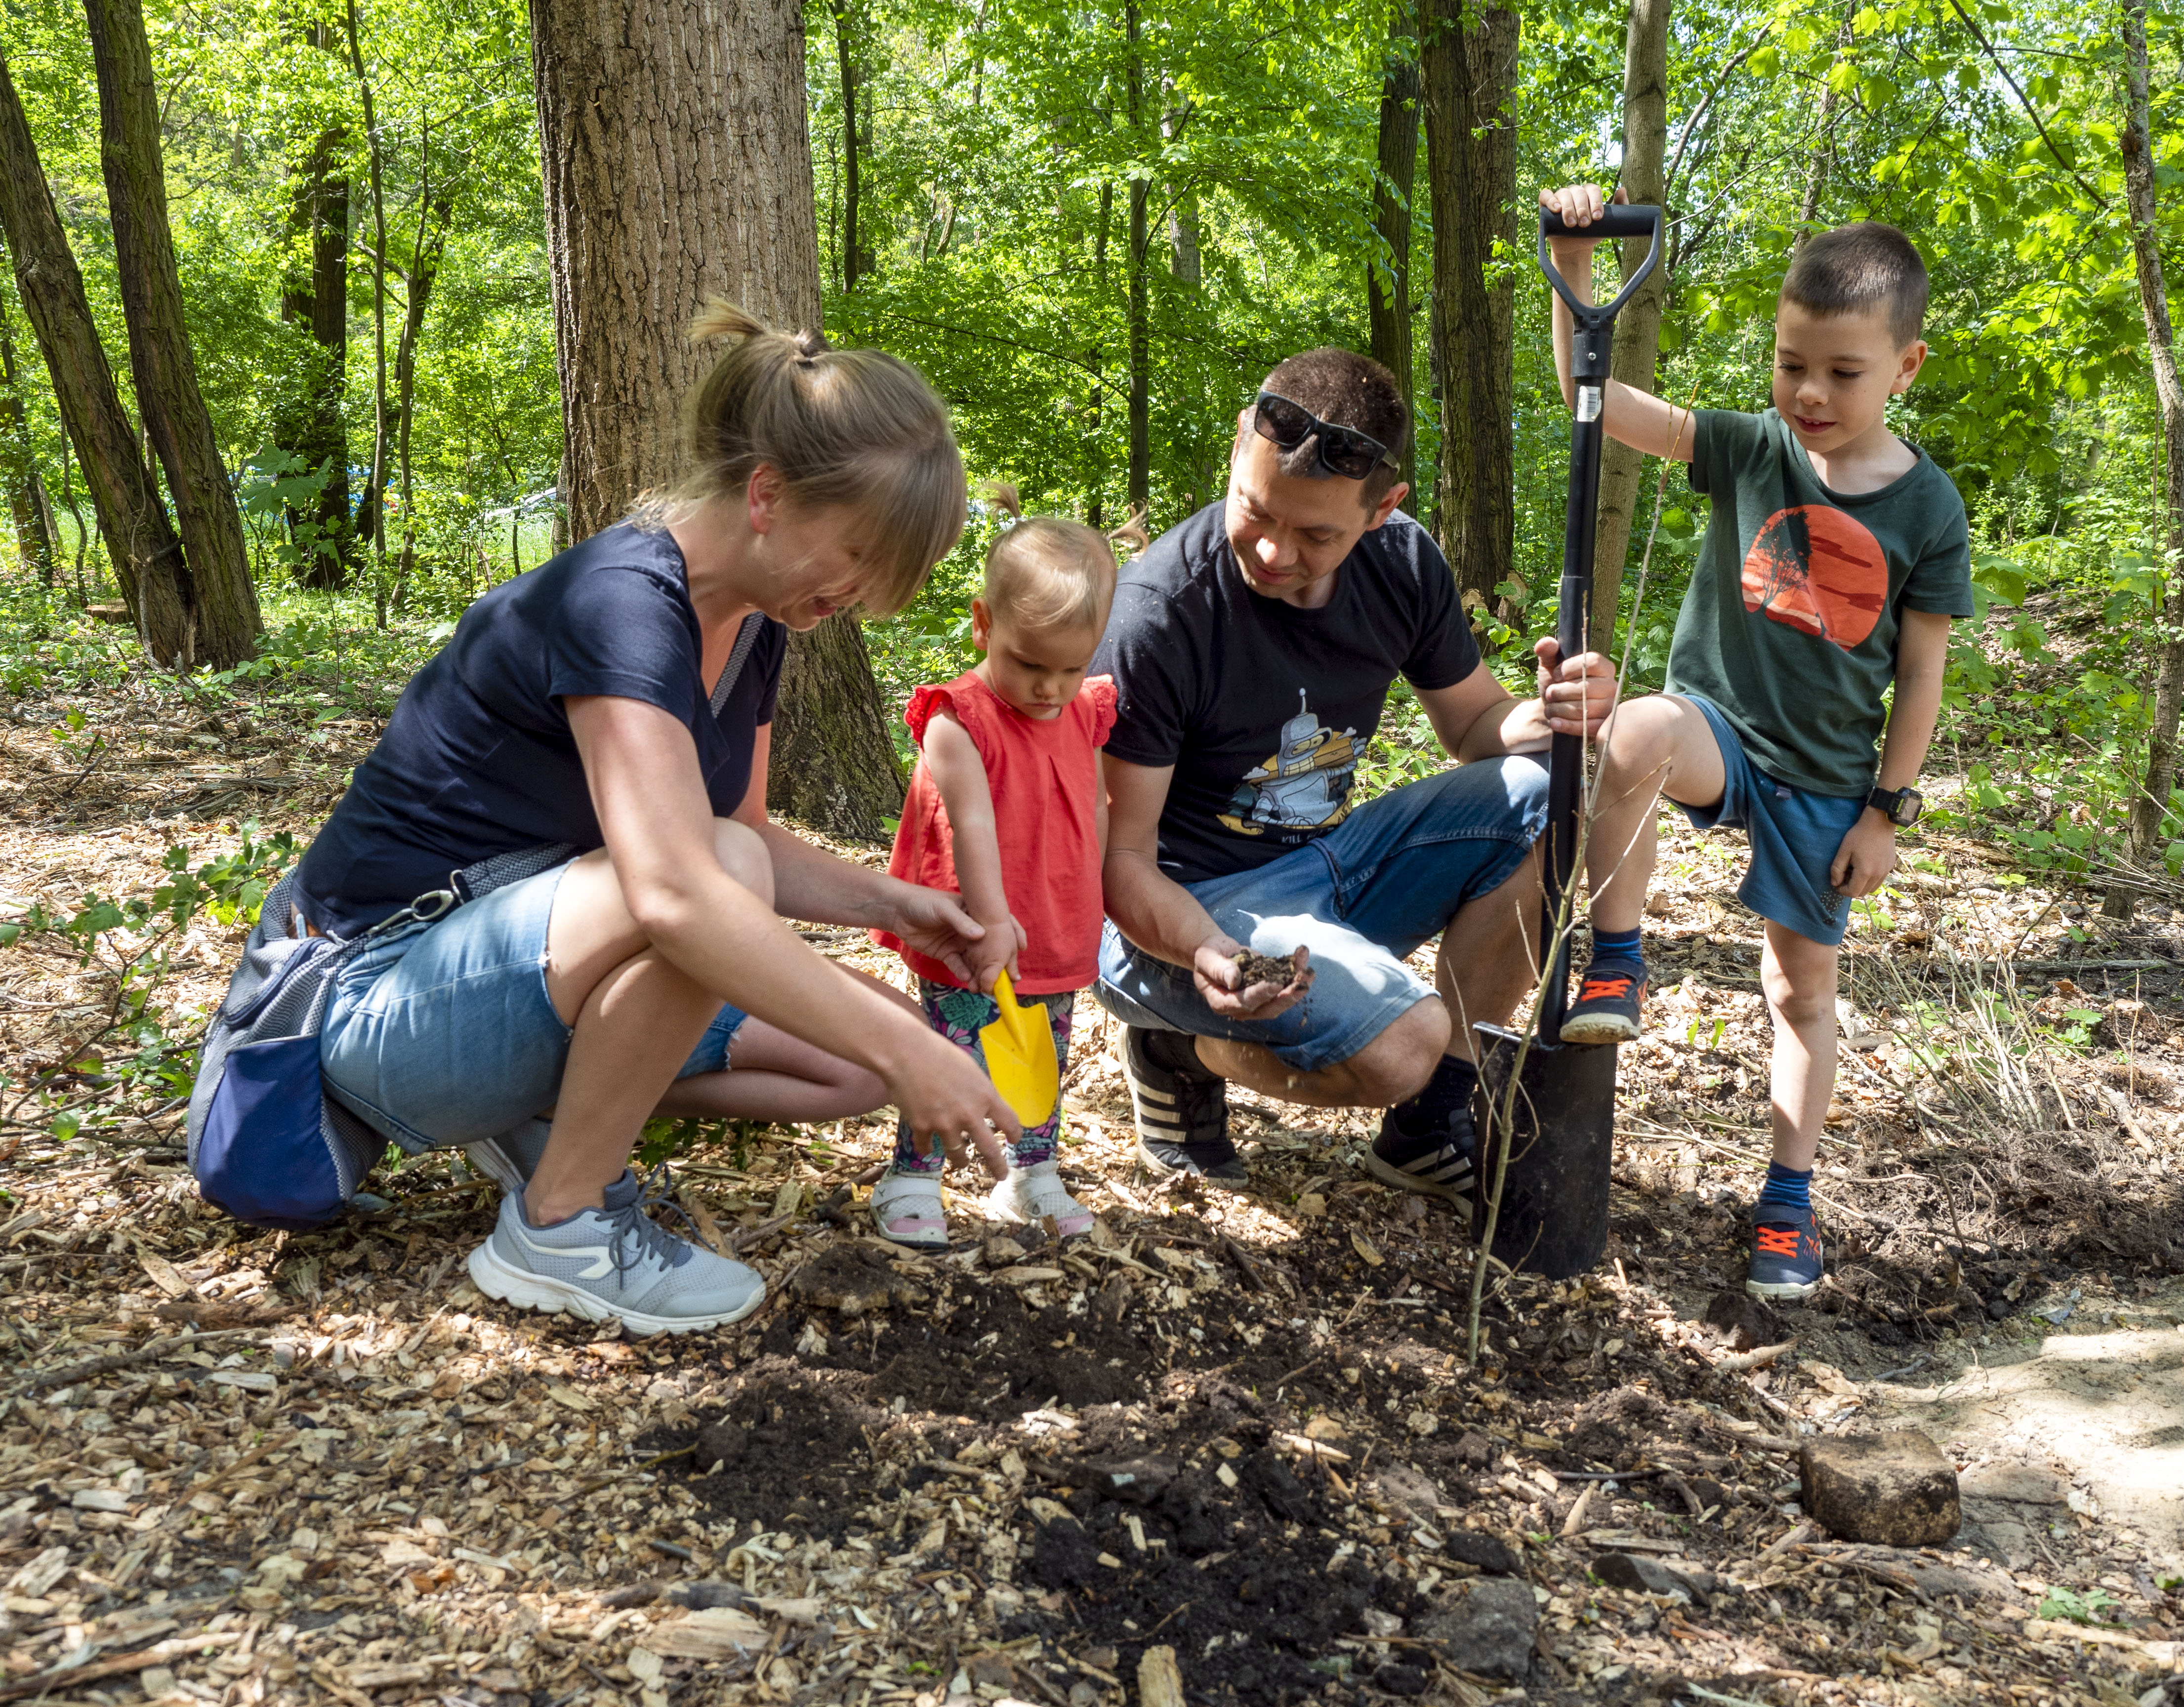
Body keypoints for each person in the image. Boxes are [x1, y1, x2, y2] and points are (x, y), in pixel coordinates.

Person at [296, 305, 1022, 1336]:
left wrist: (902, 904)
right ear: (767, 494)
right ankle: (557, 1223)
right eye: (855, 554)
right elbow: (682, 892)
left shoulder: (758, 626)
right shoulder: (622, 604)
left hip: (511, 971)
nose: (858, 595)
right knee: (715, 885)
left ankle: (546, 1118)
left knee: (859, 1054)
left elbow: (749, 834)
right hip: (377, 1006)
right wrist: (926, 1065)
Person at [1538, 185, 1974, 1301]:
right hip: (1717, 729)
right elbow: (1595, 397)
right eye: (1792, 365)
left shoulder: (1928, 510)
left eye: (1843, 371)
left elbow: (1920, 671)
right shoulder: (1746, 448)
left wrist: (1890, 809)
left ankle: (1787, 1200)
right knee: (1632, 730)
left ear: (1905, 368)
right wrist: (1574, 271)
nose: (1810, 393)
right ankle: (1618, 963)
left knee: (1800, 995)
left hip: (1827, 779)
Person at [1091, 347, 1617, 1206]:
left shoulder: (1404, 566)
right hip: (1179, 912)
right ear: (1236, 449)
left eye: (1316, 535)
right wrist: (1210, 955)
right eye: (1255, 510)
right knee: (1403, 1045)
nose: (1271, 548)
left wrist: (1557, 710)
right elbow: (1122, 864)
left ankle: (1425, 1131)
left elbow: (1479, 728)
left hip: (1328, 865)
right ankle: (1172, 1047)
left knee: (1552, 796)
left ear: (1382, 513)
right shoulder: (1159, 615)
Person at [868, 489, 1137, 1247]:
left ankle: (1031, 1172)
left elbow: (1093, 804)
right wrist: (991, 921)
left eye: (1070, 667)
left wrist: (1098, 895)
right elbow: (972, 823)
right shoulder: (960, 719)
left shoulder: (1084, 709)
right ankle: (914, 1175)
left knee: (1041, 1048)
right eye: (1028, 664)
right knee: (951, 1047)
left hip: (1054, 914)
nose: (1049, 688)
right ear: (985, 624)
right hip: (970, 921)